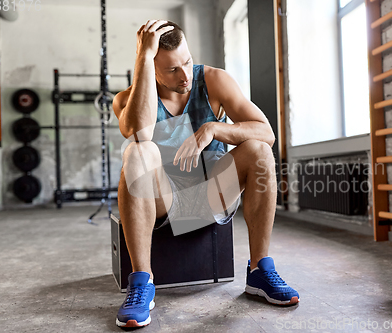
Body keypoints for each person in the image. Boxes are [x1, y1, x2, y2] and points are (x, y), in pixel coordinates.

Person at [113, 19, 299, 328]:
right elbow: (138, 132)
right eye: (172, 69)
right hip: (165, 202)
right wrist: (143, 56)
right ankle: (142, 284)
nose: (185, 75)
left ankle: (259, 270)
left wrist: (214, 128)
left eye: (187, 62)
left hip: (214, 193)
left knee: (259, 150)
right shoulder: (126, 100)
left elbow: (266, 132)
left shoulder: (213, 80)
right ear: (151, 67)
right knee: (137, 150)